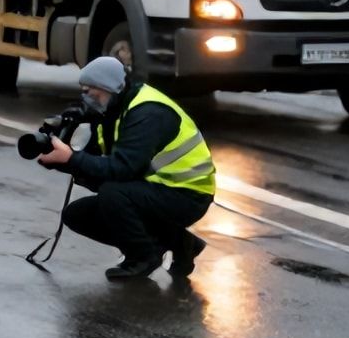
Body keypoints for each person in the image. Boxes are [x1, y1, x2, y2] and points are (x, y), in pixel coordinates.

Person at [36, 56, 216, 280]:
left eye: (93, 92)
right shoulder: (112, 113)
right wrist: (60, 161)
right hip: (158, 190)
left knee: (114, 193)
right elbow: (95, 168)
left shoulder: (147, 112)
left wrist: (72, 159)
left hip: (188, 194)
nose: (88, 99)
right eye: (84, 91)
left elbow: (122, 168)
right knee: (76, 214)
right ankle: (180, 242)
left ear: (113, 89)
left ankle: (143, 257)